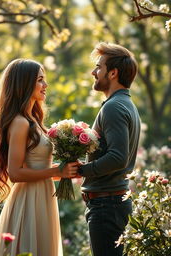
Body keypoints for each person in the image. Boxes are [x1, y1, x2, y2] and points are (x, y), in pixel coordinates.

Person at [0, 58, 78, 256]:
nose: (45, 85)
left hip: (43, 195)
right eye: (40, 80)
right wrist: (55, 170)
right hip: (28, 200)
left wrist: (65, 171)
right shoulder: (20, 123)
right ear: (25, 84)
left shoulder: (34, 121)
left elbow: (37, 169)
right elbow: (16, 173)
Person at [78, 42, 141, 256]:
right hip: (110, 203)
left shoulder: (114, 106)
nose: (93, 72)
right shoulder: (123, 104)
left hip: (107, 205)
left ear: (113, 73)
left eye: (98, 67)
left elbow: (118, 157)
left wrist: (82, 170)